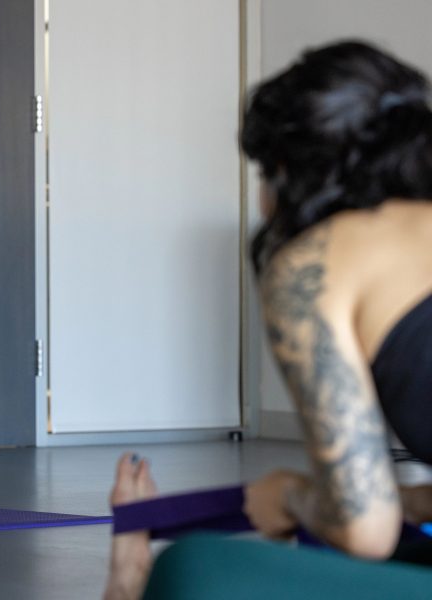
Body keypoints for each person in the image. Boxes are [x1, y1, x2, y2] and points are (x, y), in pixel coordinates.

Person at [105, 40, 432, 599]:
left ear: (291, 169)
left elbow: (364, 530)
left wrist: (285, 496)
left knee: (193, 570)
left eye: (263, 170)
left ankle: (128, 584)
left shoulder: (318, 259)